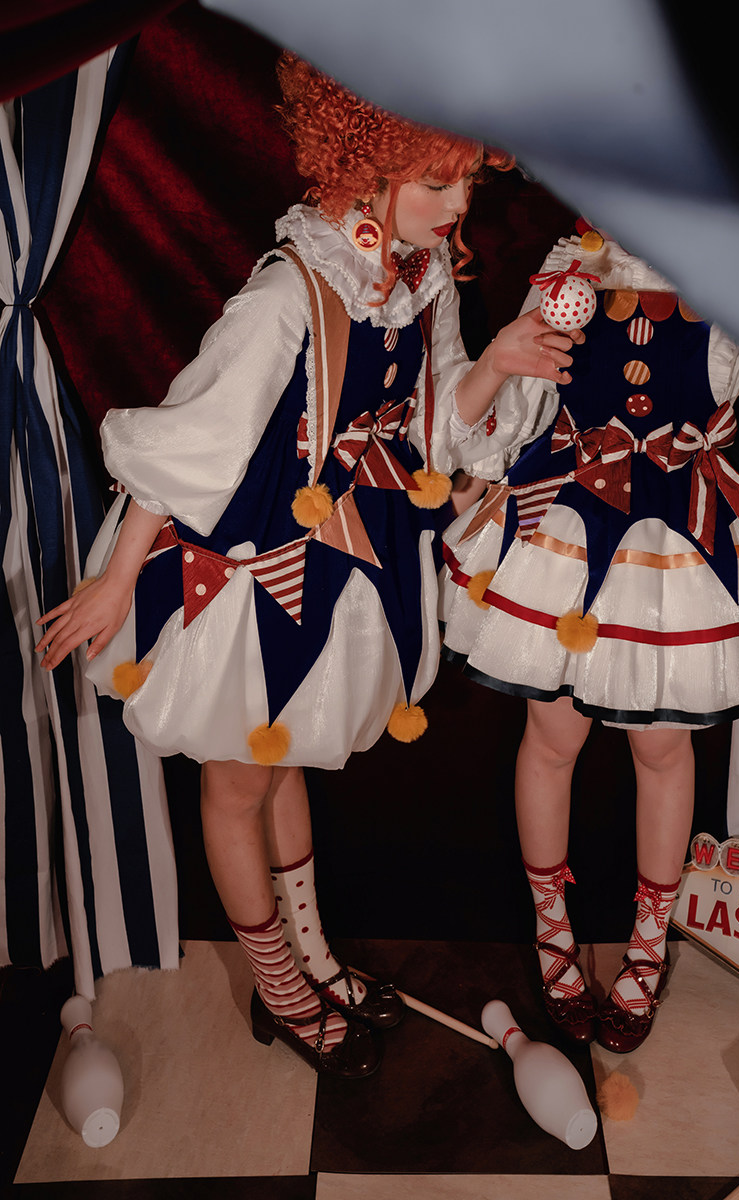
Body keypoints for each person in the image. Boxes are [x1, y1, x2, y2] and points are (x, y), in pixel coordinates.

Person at [35, 54, 581, 1077]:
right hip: (246, 570)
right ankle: (281, 989)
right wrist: (117, 580)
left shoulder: (421, 278)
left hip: (341, 563)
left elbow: (433, 430)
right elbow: (192, 439)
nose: (458, 206)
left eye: (468, 179)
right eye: (436, 182)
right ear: (364, 166)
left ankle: (314, 957)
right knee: (239, 784)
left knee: (278, 759)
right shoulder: (289, 289)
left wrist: (500, 363)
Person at [440, 227, 739, 1053]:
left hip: (681, 535)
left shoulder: (733, 262)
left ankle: (647, 949)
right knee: (551, 739)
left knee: (664, 750)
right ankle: (552, 935)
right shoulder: (569, 265)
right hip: (569, 518)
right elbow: (519, 406)